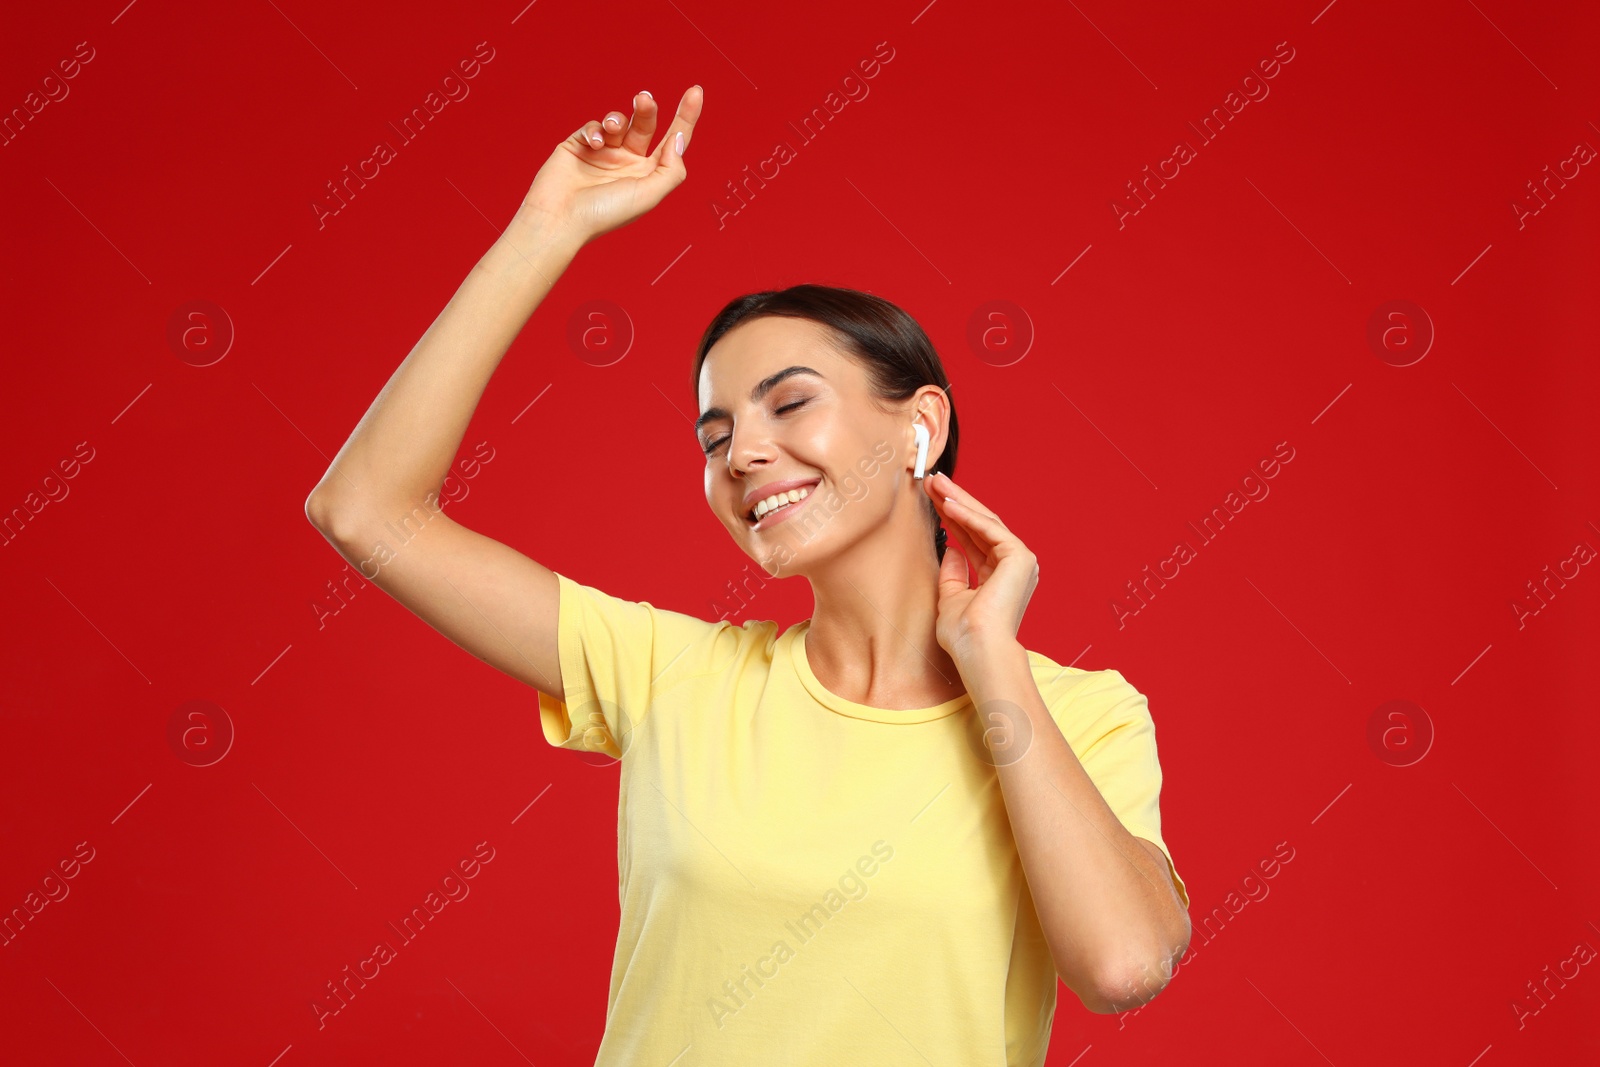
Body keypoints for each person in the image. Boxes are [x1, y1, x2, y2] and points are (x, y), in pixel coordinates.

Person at [305, 84, 1190, 1066]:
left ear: (918, 427)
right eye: (714, 433)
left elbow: (1121, 964)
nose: (741, 454)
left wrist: (990, 660)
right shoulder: (672, 676)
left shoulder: (1081, 714)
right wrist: (545, 227)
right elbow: (366, 511)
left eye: (788, 404)